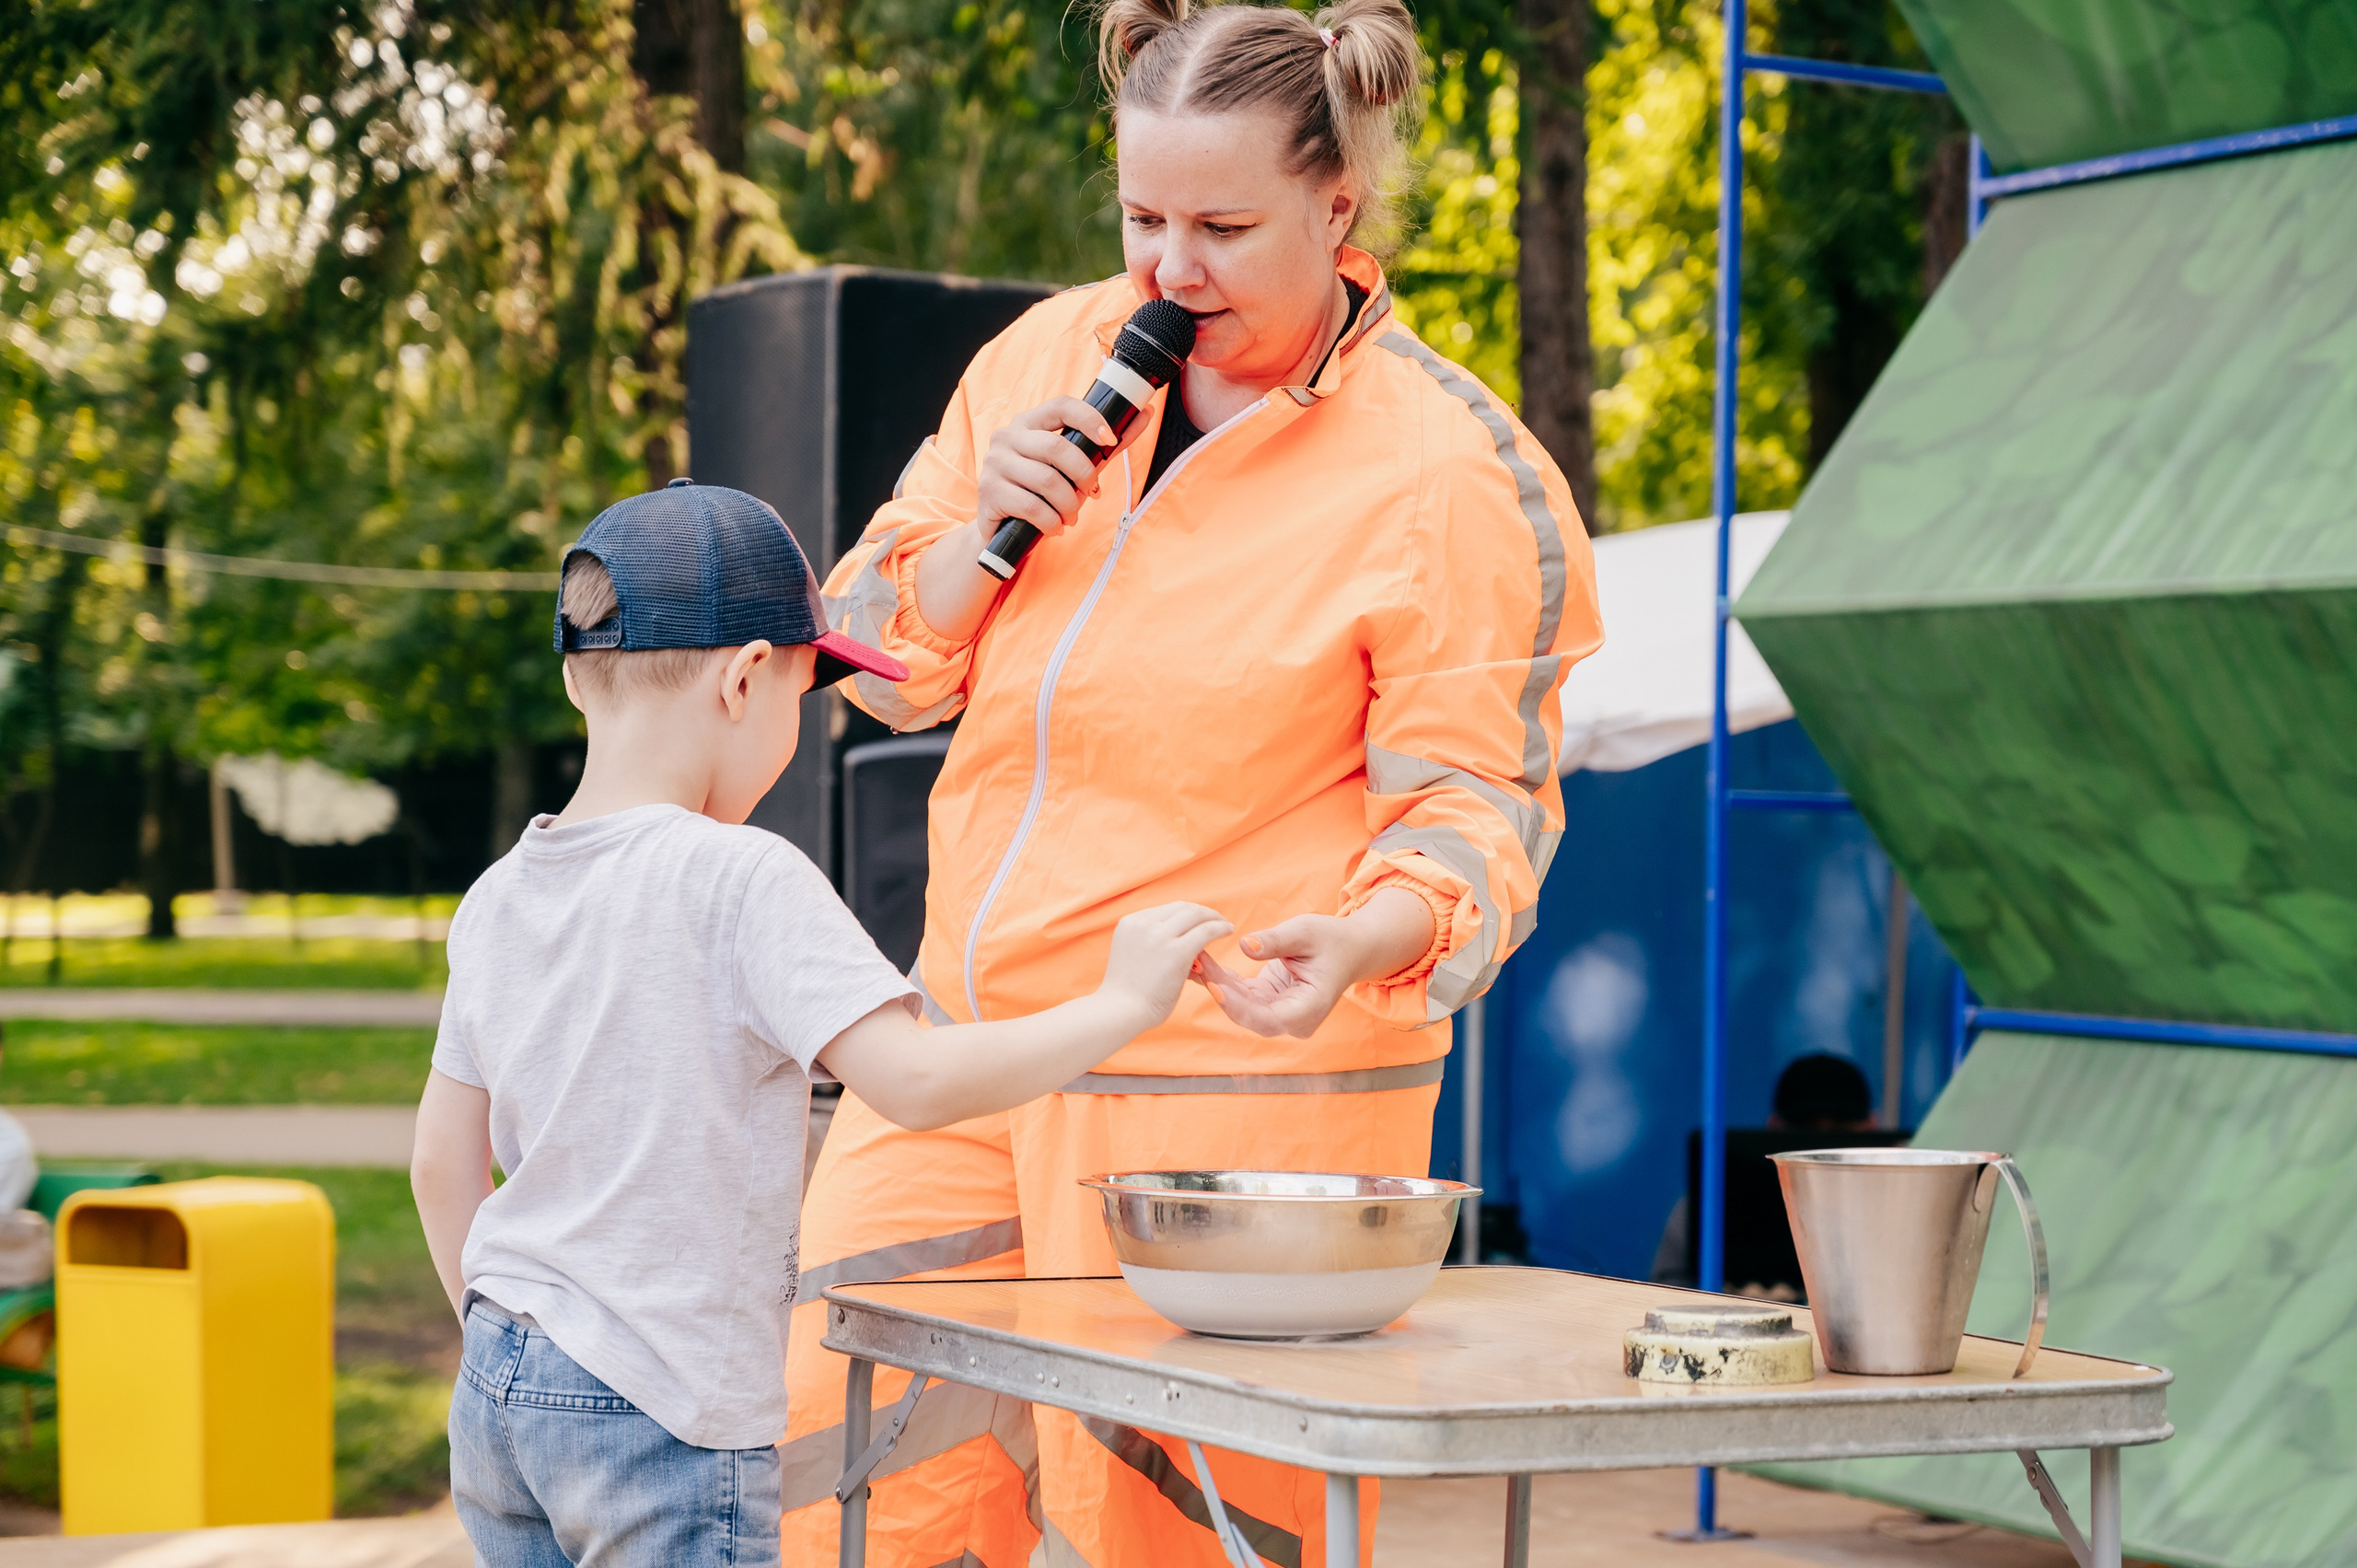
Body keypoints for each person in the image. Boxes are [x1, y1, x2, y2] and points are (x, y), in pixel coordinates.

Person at [785, 0, 1605, 1559]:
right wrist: (968, 554)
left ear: (1339, 203)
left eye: (1224, 225)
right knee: (857, 1493)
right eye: (1142, 215)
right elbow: (874, 649)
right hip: (961, 1057)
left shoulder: (1449, 471)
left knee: (1159, 1536)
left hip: (1231, 1103)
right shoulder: (1043, 355)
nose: (1169, 270)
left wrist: (1369, 940)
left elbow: (1475, 816)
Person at [408, 482, 1232, 1568]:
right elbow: (916, 1080)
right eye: (806, 693)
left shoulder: (500, 893)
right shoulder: (741, 876)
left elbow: (437, 1161)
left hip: (503, 1388)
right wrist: (1120, 1003)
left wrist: (500, 1335)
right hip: (663, 1406)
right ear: (747, 678)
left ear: (575, 674)